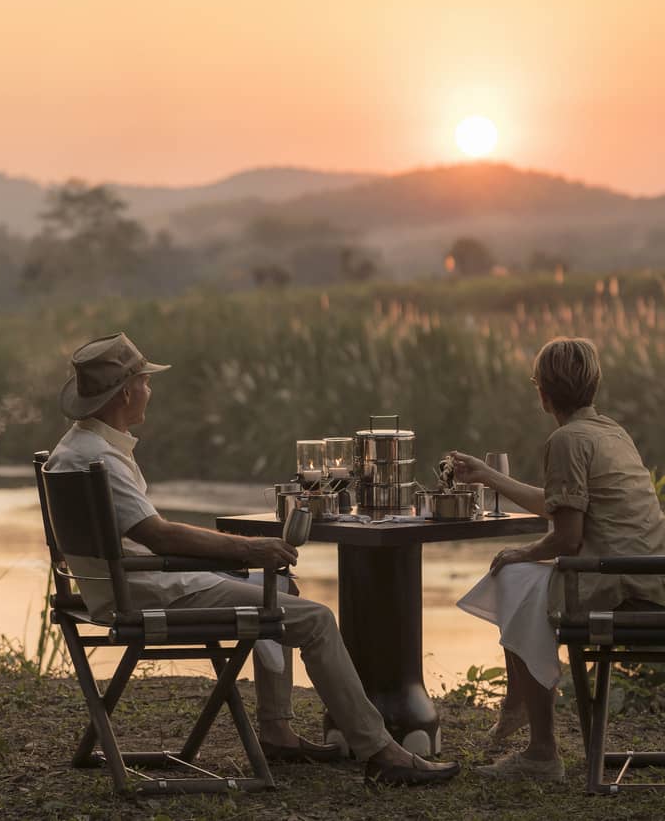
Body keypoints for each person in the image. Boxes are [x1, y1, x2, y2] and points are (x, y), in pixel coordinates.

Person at [45, 332, 460, 787]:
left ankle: (277, 732)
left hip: (112, 588)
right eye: (145, 381)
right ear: (126, 391)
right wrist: (248, 548)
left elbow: (148, 537)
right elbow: (159, 536)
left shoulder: (73, 449)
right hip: (144, 593)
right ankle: (383, 752)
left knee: (279, 588)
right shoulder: (99, 459)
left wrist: (239, 555)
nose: (149, 390)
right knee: (316, 620)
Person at [449, 336, 665, 781]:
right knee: (520, 578)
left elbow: (567, 537)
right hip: (659, 580)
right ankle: (518, 705)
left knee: (516, 579)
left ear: (543, 394)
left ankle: (540, 748)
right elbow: (560, 503)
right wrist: (488, 477)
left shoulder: (566, 440)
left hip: (625, 587)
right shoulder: (608, 431)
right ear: (594, 386)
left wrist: (522, 551)